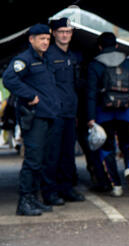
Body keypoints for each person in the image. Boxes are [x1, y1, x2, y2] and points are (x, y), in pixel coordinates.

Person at [2, 24, 62, 216]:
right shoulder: (24, 59)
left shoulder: (45, 60)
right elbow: (9, 79)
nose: (45, 42)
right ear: (31, 39)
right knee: (33, 161)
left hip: (48, 116)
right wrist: (29, 95)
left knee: (42, 160)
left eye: (47, 38)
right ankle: (24, 201)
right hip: (34, 117)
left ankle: (34, 199)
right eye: (41, 39)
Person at [86, 32, 129, 197]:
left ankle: (116, 185)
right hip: (125, 111)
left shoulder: (95, 65)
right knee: (128, 143)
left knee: (107, 148)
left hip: (103, 113)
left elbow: (91, 93)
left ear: (100, 47)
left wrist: (90, 117)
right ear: (116, 45)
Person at [41, 17, 85, 205]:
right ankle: (50, 193)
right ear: (54, 33)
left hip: (70, 112)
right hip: (54, 112)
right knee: (52, 154)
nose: (65, 35)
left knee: (68, 154)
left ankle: (66, 189)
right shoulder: (47, 55)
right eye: (61, 32)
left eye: (68, 32)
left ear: (72, 34)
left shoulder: (73, 57)